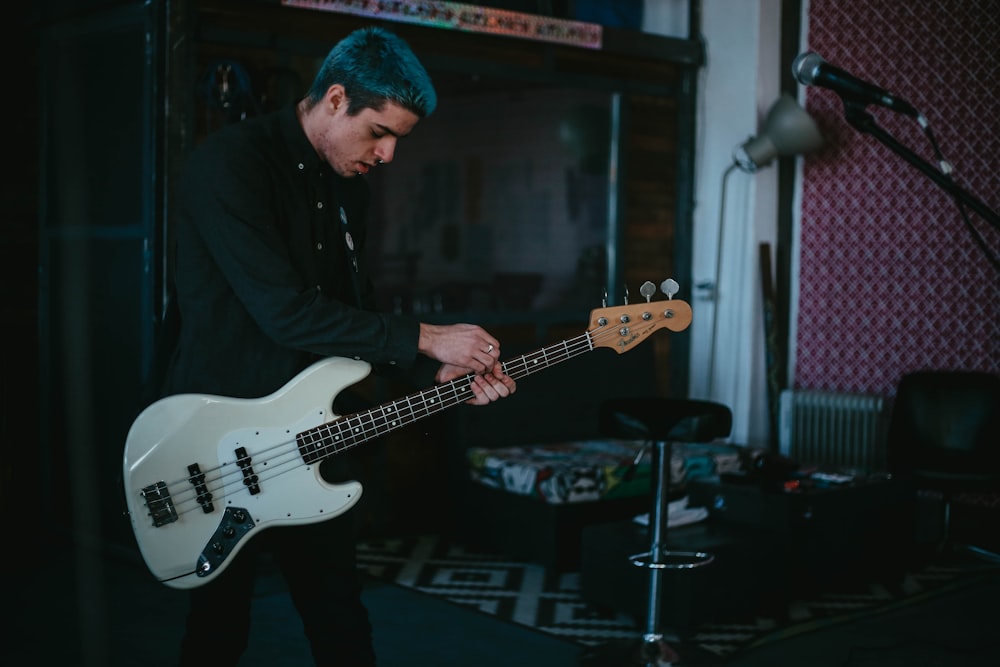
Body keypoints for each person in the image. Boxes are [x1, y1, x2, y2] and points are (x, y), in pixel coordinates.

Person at [158, 26, 516, 666]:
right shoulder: (231, 163)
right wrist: (430, 336)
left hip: (312, 439)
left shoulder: (347, 184)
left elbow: (356, 313)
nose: (387, 155)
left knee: (340, 620)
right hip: (217, 441)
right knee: (217, 629)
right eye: (380, 132)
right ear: (335, 99)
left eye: (397, 140)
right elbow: (285, 313)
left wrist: (432, 373)